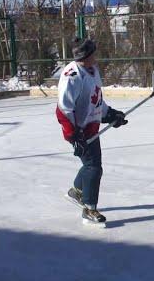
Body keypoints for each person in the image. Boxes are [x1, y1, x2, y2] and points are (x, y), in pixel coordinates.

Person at [55, 37, 128, 226]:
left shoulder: (92, 70)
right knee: (94, 167)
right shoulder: (71, 76)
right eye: (92, 53)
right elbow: (63, 109)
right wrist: (74, 136)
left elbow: (96, 99)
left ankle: (76, 191)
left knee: (90, 164)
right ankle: (89, 208)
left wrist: (110, 114)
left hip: (91, 126)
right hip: (79, 130)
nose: (96, 56)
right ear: (85, 56)